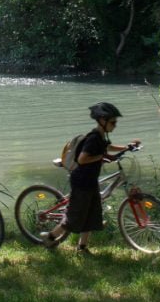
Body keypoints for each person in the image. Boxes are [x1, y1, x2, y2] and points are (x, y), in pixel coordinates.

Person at [41, 102, 139, 253]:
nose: (115, 125)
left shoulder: (101, 137)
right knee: (75, 217)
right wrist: (102, 157)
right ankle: (50, 237)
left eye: (115, 122)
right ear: (102, 121)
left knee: (91, 215)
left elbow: (107, 148)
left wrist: (127, 147)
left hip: (90, 181)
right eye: (113, 122)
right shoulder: (94, 138)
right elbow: (82, 159)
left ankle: (82, 247)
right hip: (81, 182)